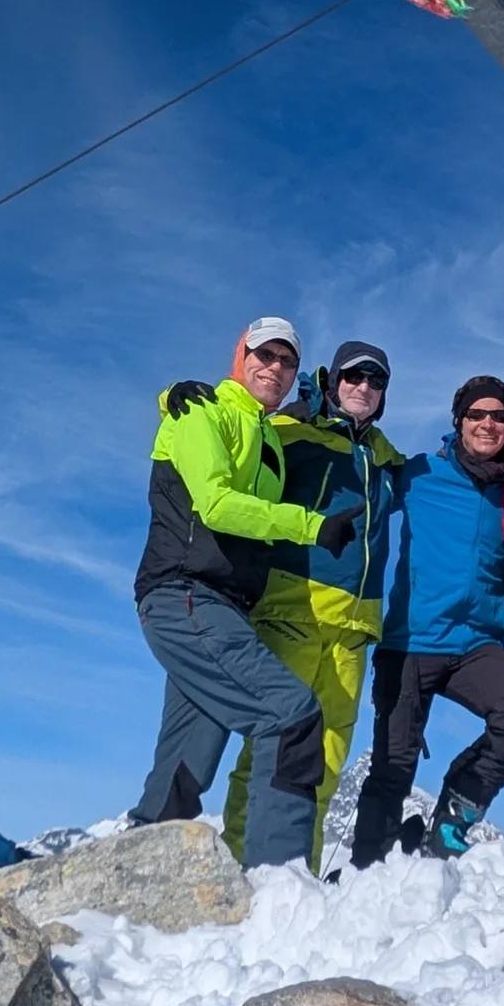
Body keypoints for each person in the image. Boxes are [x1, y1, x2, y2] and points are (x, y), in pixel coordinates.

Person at [127, 317, 364, 869]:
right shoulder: (200, 410)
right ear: (241, 355)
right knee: (292, 716)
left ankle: (139, 873)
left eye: (287, 361)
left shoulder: (269, 438)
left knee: (190, 757)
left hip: (224, 607)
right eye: (265, 355)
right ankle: (277, 881)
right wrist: (312, 526)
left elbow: (309, 411)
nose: (274, 368)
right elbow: (214, 504)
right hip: (186, 595)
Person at [208, 341, 405, 872]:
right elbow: (232, 438)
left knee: (327, 762)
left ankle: (301, 878)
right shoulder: (290, 433)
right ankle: (239, 874)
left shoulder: (385, 457)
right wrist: (180, 400)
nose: (364, 387)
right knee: (274, 749)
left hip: (354, 627)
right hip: (293, 612)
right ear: (333, 380)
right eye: (355, 376)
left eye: (377, 381)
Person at [349, 376, 504, 868]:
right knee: (394, 763)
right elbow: (359, 493)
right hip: (410, 641)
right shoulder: (418, 474)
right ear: (458, 421)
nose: (488, 424)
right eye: (477, 414)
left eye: (498, 416)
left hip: (477, 643)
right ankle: (366, 869)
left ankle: (454, 814)